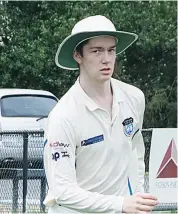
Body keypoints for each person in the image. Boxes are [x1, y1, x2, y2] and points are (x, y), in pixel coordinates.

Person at [43, 15, 159, 213]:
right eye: (96, 51)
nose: (106, 59)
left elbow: (136, 153)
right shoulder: (62, 116)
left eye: (111, 50)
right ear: (77, 56)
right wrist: (120, 205)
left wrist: (136, 198)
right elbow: (62, 192)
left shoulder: (134, 98)